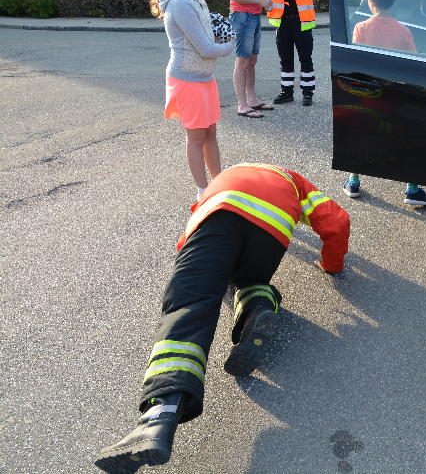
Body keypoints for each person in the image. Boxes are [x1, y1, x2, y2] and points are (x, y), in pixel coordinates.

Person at [94, 163, 350, 473]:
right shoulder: (294, 181)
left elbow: (189, 236)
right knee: (252, 279)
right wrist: (331, 265)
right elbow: (337, 221)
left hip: (217, 215)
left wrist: (193, 273)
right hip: (270, 231)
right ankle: (257, 307)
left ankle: (159, 416)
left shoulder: (224, 179)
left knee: (190, 306)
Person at [342, 0, 426, 207]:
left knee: (357, 134)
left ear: (370, 1)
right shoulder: (403, 31)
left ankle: (354, 181)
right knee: (406, 139)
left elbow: (357, 68)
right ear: (392, 1)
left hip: (369, 99)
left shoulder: (361, 29)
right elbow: (412, 66)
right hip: (395, 101)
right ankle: (412, 188)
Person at [150, 0, 233, 200]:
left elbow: (206, 40)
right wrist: (229, 45)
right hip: (187, 80)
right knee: (196, 137)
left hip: (204, 78)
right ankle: (203, 192)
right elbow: (206, 48)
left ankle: (219, 183)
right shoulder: (180, 3)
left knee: (210, 134)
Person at [227, 0, 275, 118]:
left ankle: (252, 100)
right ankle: (242, 105)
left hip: (253, 15)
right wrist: (260, 0)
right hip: (242, 16)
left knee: (252, 60)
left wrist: (264, 2)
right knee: (242, 61)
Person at [265, 0, 317, 106]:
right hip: (282, 21)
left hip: (302, 21)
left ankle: (308, 93)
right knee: (285, 59)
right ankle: (287, 92)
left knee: (305, 59)